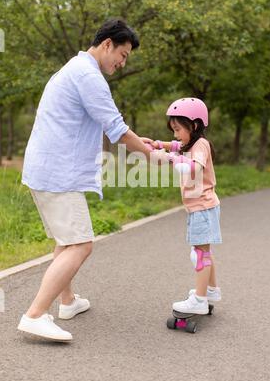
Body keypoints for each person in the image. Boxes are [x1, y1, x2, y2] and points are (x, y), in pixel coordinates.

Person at [18, 19, 152, 342]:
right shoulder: (88, 75)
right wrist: (151, 154)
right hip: (56, 173)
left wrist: (142, 143)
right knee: (81, 244)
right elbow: (117, 130)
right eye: (122, 54)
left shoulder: (75, 69)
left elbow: (115, 129)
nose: (122, 63)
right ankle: (34, 314)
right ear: (107, 44)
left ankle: (67, 302)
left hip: (47, 169)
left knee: (66, 242)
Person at [147, 97, 222, 315]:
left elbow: (194, 168)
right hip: (202, 207)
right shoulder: (192, 143)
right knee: (204, 251)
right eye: (173, 129)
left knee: (199, 253)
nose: (175, 134)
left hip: (202, 208)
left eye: (178, 129)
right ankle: (210, 290)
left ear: (195, 125)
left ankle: (199, 299)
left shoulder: (201, 145)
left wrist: (169, 158)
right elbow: (177, 146)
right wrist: (157, 144)